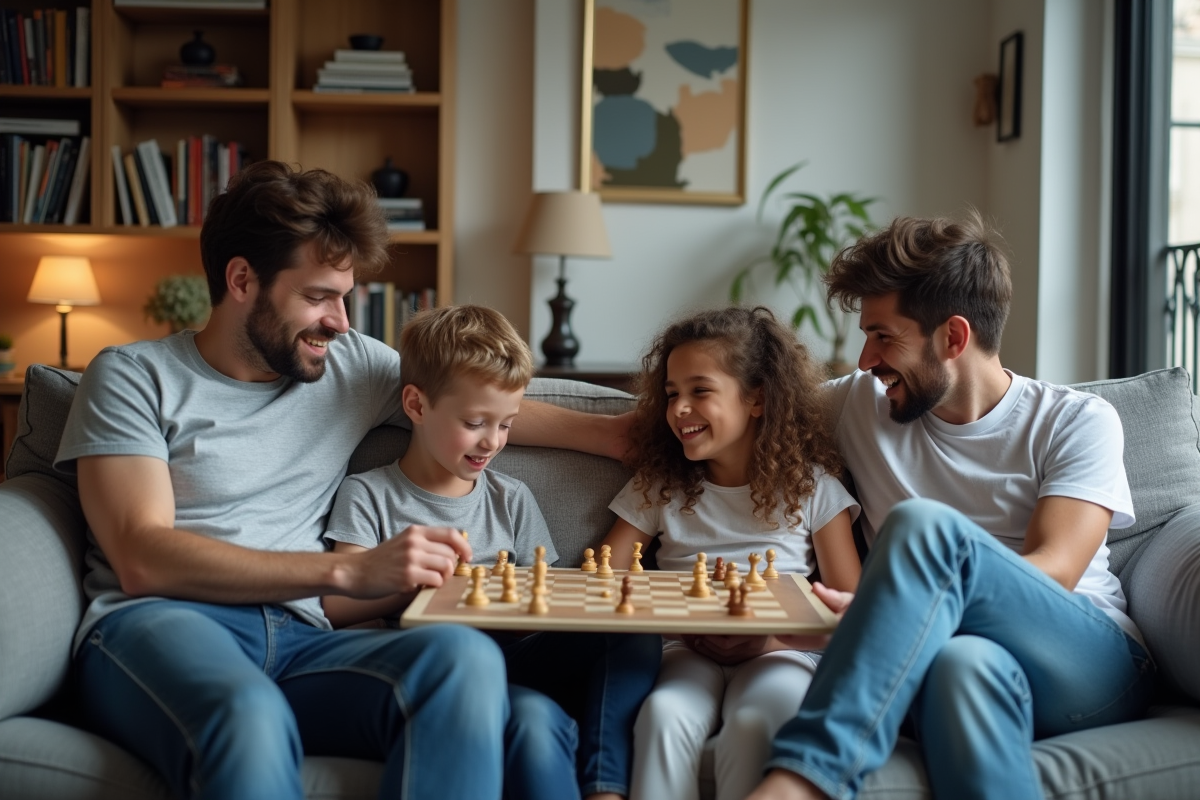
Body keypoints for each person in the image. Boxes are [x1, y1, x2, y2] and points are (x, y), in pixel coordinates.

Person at [54, 161, 630, 800]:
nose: (342, 320)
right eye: (319, 296)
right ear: (242, 279)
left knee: (462, 661)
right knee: (249, 714)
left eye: (346, 295)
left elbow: (467, 400)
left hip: (304, 643)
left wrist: (611, 435)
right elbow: (141, 555)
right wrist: (347, 572)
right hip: (164, 626)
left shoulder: (346, 364)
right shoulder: (134, 377)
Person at [745, 212, 1154, 800]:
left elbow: (1057, 570)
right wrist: (564, 419)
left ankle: (805, 778)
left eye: (884, 336)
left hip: (1090, 663)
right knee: (961, 667)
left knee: (924, 528)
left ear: (953, 338)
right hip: (955, 660)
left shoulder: (1076, 421)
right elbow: (727, 424)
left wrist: (884, 612)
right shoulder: (861, 405)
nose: (865, 360)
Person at [321, 304, 662, 800]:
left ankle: (605, 788)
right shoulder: (368, 495)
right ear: (415, 406)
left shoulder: (511, 498)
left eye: (506, 425)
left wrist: (521, 610)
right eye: (477, 422)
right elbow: (336, 608)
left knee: (631, 632)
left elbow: (544, 602)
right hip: (437, 670)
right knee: (533, 720)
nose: (493, 442)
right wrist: (410, 587)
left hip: (518, 657)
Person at [600, 306, 862, 800]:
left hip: (782, 653)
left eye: (700, 390)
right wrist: (679, 623)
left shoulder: (814, 489)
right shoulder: (660, 485)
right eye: (672, 393)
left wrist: (767, 641)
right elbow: (604, 582)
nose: (679, 408)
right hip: (684, 648)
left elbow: (853, 613)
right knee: (663, 714)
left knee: (757, 721)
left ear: (757, 398)